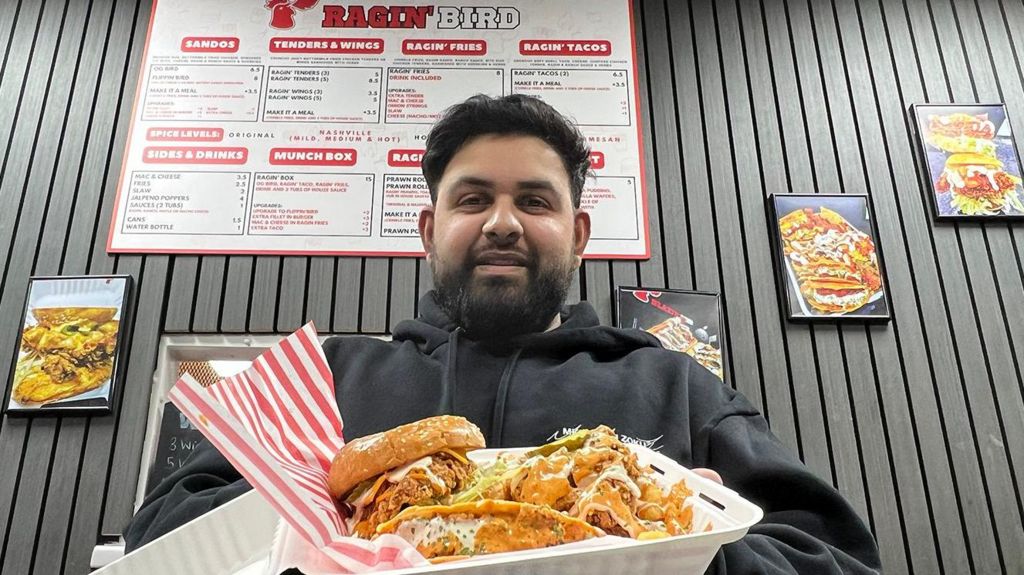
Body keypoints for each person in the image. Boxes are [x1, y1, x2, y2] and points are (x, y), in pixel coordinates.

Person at [124, 94, 881, 573]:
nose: (503, 222)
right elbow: (159, 536)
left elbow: (836, 555)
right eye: (473, 198)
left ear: (579, 234)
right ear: (430, 228)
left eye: (535, 200)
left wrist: (690, 553)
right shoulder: (322, 379)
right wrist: (313, 531)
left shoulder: (674, 384)